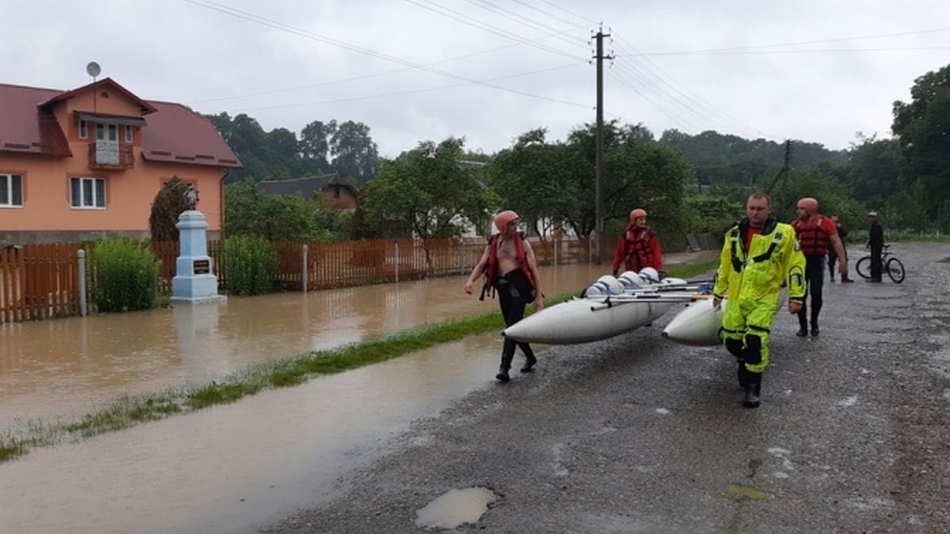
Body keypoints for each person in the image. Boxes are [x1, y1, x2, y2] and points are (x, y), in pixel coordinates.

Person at [712, 193, 805, 408]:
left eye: (760, 208)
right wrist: (718, 291)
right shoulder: (734, 234)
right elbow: (724, 264)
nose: (755, 212)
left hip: (765, 296)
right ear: (746, 208)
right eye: (751, 208)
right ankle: (744, 362)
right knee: (731, 339)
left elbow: (796, 265)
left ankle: (753, 389)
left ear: (769, 209)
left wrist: (796, 296)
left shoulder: (785, 233)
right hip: (736, 296)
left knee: (755, 340)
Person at [464, 210, 545, 383]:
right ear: (502, 227)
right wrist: (471, 280)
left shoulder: (523, 244)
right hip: (503, 289)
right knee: (512, 327)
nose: (516, 228)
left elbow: (534, 271)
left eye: (517, 224)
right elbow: (481, 264)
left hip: (520, 288)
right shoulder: (493, 242)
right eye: (512, 224)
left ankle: (504, 368)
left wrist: (539, 297)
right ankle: (530, 357)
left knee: (510, 328)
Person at [790, 198, 849, 337]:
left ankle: (814, 323)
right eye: (798, 208)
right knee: (800, 295)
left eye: (801, 208)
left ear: (810, 209)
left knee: (816, 294)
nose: (798, 211)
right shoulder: (795, 225)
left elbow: (836, 241)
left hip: (817, 261)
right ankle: (803, 326)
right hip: (800, 263)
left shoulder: (825, 223)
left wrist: (843, 261)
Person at [611, 208, 663, 277]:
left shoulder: (650, 234)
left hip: (648, 269)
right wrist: (615, 269)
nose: (643, 222)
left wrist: (658, 270)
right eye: (640, 220)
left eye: (644, 219)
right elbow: (619, 253)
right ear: (633, 221)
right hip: (632, 269)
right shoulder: (625, 235)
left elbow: (656, 253)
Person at [827, 215, 854, 283]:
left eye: (836, 221)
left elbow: (845, 233)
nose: (835, 223)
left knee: (844, 261)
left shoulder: (839, 229)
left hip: (841, 247)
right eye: (833, 221)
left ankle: (844, 277)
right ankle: (832, 277)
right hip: (831, 248)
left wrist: (839, 227)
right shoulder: (828, 228)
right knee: (831, 263)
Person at [867, 211, 885, 282]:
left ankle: (876, 277)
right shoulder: (873, 225)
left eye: (872, 217)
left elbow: (874, 237)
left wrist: (869, 242)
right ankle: (875, 276)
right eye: (870, 217)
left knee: (875, 261)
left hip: (877, 245)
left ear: (876, 218)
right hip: (875, 245)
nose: (871, 219)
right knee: (875, 260)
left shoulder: (877, 226)